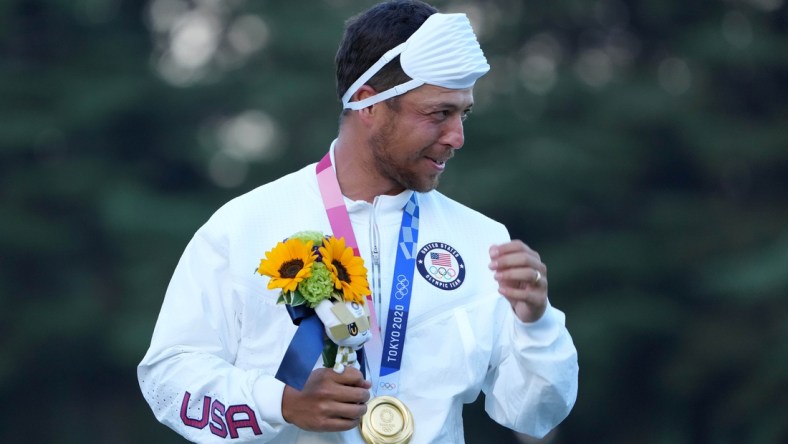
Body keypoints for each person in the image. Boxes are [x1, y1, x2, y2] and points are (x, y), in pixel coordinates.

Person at [138, 1, 578, 442]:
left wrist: (536, 323)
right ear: (369, 104)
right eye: (438, 113)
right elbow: (168, 378)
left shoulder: (483, 241)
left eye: (464, 113)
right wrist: (281, 403)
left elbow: (535, 415)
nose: (457, 137)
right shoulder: (244, 226)